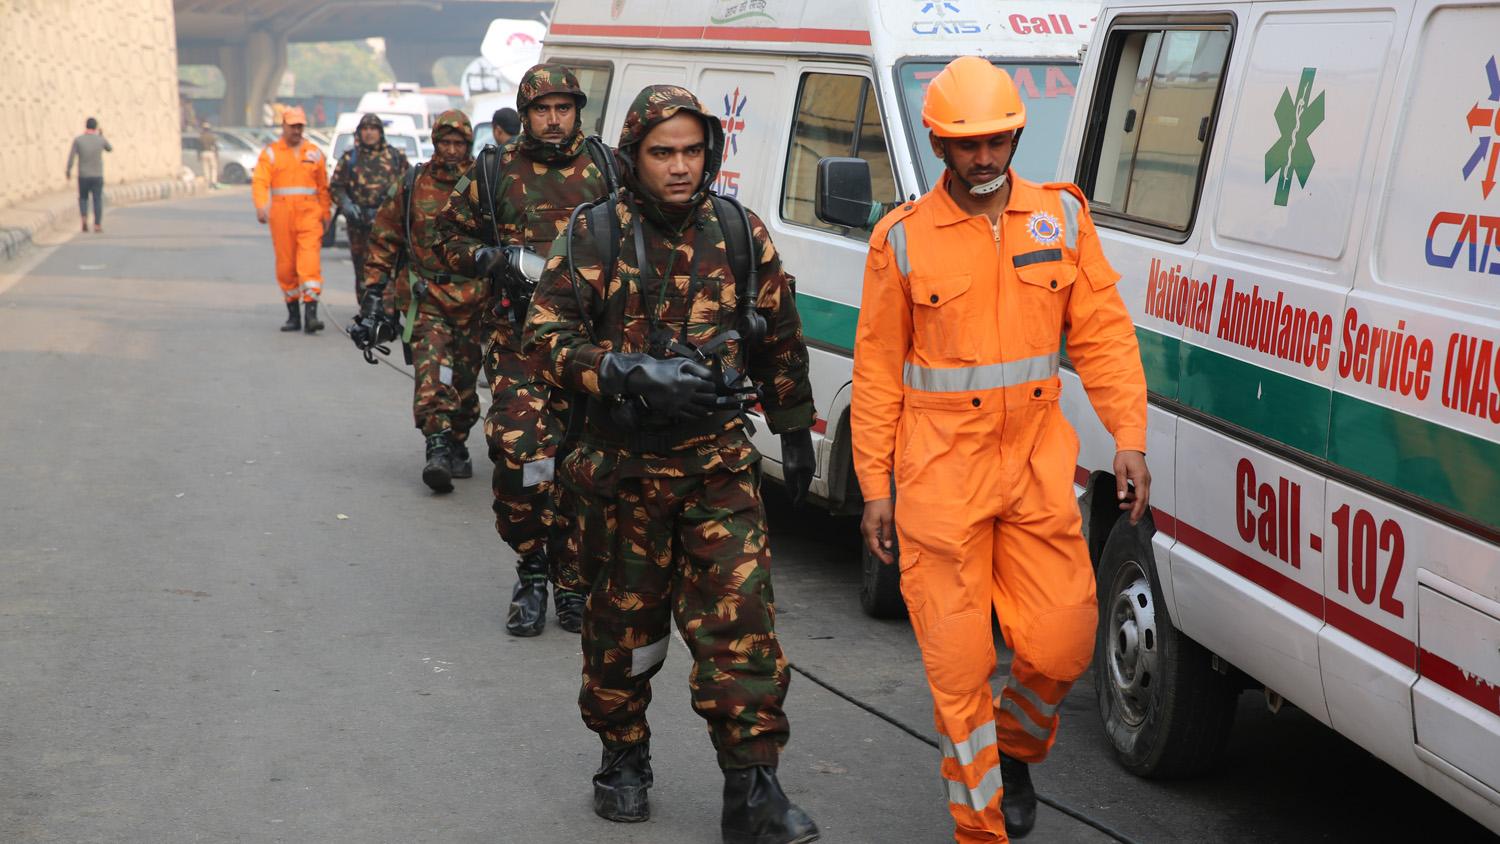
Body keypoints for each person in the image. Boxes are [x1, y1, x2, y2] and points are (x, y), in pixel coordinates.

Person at [851, 56, 1151, 843]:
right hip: (937, 480)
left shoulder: (1062, 222)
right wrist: (874, 489)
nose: (984, 158)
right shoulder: (904, 242)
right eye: (967, 144)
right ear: (940, 146)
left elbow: (1106, 336)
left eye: (996, 141)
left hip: (1033, 472)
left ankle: (1013, 747)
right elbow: (877, 373)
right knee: (959, 675)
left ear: (1017, 134)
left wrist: (1130, 436)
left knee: (1062, 643)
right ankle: (981, 827)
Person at [524, 84, 819, 844]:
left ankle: (753, 787)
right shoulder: (594, 234)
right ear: (634, 157)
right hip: (619, 474)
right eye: (663, 152)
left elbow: (780, 332)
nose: (680, 167)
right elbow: (544, 341)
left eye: (692, 150)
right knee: (624, 635)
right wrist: (624, 371)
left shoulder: (739, 231)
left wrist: (791, 427)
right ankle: (623, 754)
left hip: (718, 468)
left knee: (741, 626)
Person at [435, 65, 605, 637]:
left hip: (591, 348)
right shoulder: (493, 170)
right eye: (541, 109)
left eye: (563, 107)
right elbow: (447, 238)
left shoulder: (609, 169)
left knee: (586, 467)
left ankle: (574, 581)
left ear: (577, 110)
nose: (553, 119)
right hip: (521, 346)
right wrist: (489, 259)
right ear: (525, 113)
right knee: (522, 458)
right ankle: (533, 569)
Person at [359, 111, 483, 493]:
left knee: (463, 381)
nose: (450, 151)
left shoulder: (485, 185)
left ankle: (457, 439)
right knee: (432, 374)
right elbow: (383, 237)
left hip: (474, 300)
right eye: (444, 143)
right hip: (426, 298)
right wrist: (373, 294)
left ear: (467, 145)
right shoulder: (413, 183)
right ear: (434, 142)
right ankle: (438, 447)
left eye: (458, 143)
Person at [252, 106, 331, 333]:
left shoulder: (314, 153)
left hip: (309, 216)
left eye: (300, 126)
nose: (297, 130)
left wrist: (326, 214)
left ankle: (311, 315)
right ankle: (293, 316)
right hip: (282, 217)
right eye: (293, 126)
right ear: (284, 126)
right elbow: (260, 181)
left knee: (309, 264)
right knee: (286, 267)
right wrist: (260, 206)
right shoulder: (271, 153)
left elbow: (323, 187)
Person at [330, 113, 410, 303]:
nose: (369, 133)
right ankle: (367, 311)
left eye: (373, 129)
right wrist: (347, 205)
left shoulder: (395, 157)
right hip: (359, 226)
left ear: (380, 132)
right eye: (365, 129)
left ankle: (389, 313)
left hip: (388, 226)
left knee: (389, 269)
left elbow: (408, 185)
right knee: (363, 270)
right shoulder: (350, 158)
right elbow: (336, 187)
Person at [66, 118, 112, 233]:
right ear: (95, 127)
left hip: (83, 175)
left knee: (83, 198)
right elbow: (109, 148)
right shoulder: (100, 140)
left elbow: (71, 157)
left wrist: (68, 170)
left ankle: (84, 219)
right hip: (97, 175)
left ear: (86, 126)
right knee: (97, 199)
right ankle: (97, 224)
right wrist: (101, 136)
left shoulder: (78, 140)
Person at [199, 121, 220, 188]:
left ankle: (207, 182)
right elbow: (215, 146)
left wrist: (199, 155)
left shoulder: (201, 136)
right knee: (213, 168)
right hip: (211, 153)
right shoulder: (211, 136)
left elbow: (198, 147)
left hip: (203, 153)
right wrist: (216, 154)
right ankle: (213, 182)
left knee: (205, 168)